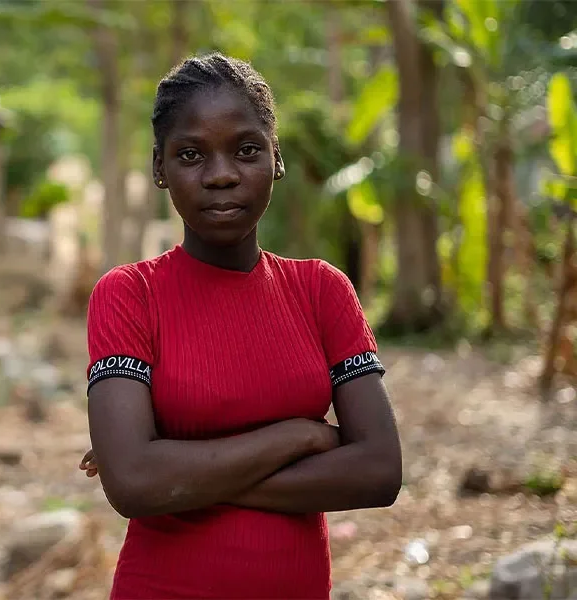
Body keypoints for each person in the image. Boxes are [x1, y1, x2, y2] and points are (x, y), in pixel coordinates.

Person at [78, 53, 402, 600]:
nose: (222, 174)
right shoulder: (130, 295)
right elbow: (133, 483)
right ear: (160, 168)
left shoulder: (321, 290)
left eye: (247, 150)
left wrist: (180, 471)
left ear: (275, 158)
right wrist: (301, 435)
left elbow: (379, 470)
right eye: (191, 155)